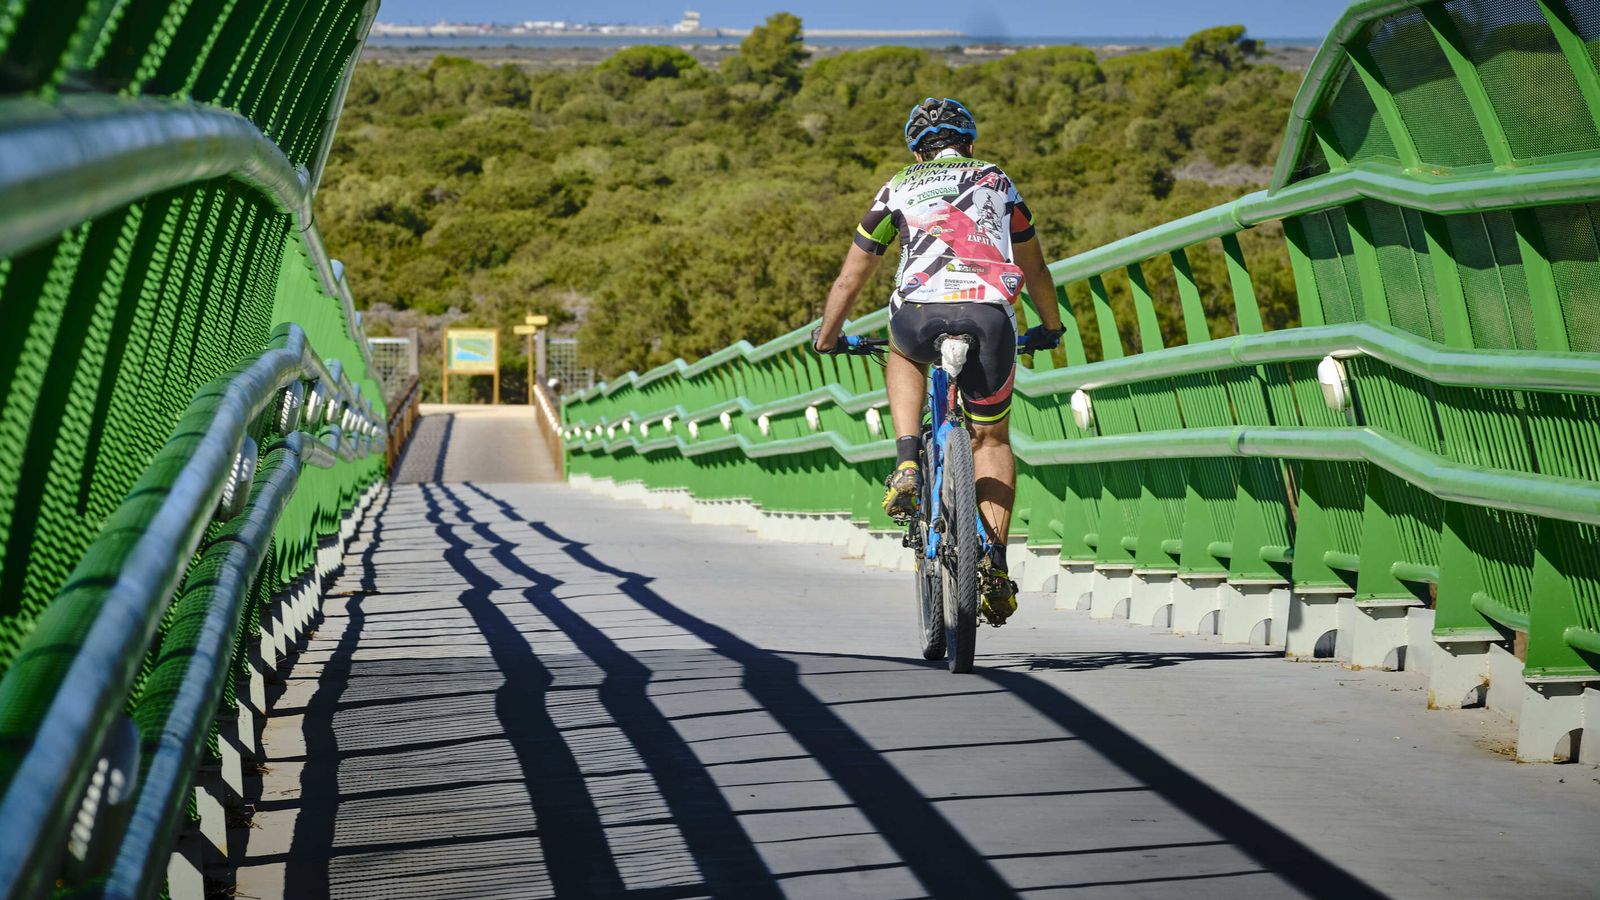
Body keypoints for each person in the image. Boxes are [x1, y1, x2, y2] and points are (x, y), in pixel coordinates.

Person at [811, 97, 1065, 626]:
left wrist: (828, 337)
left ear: (916, 149)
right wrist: (1052, 326)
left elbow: (850, 278)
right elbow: (1035, 266)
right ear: (968, 142)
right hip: (990, 314)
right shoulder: (998, 180)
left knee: (904, 350)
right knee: (990, 439)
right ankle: (993, 563)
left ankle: (907, 460)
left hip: (920, 313)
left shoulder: (897, 186)